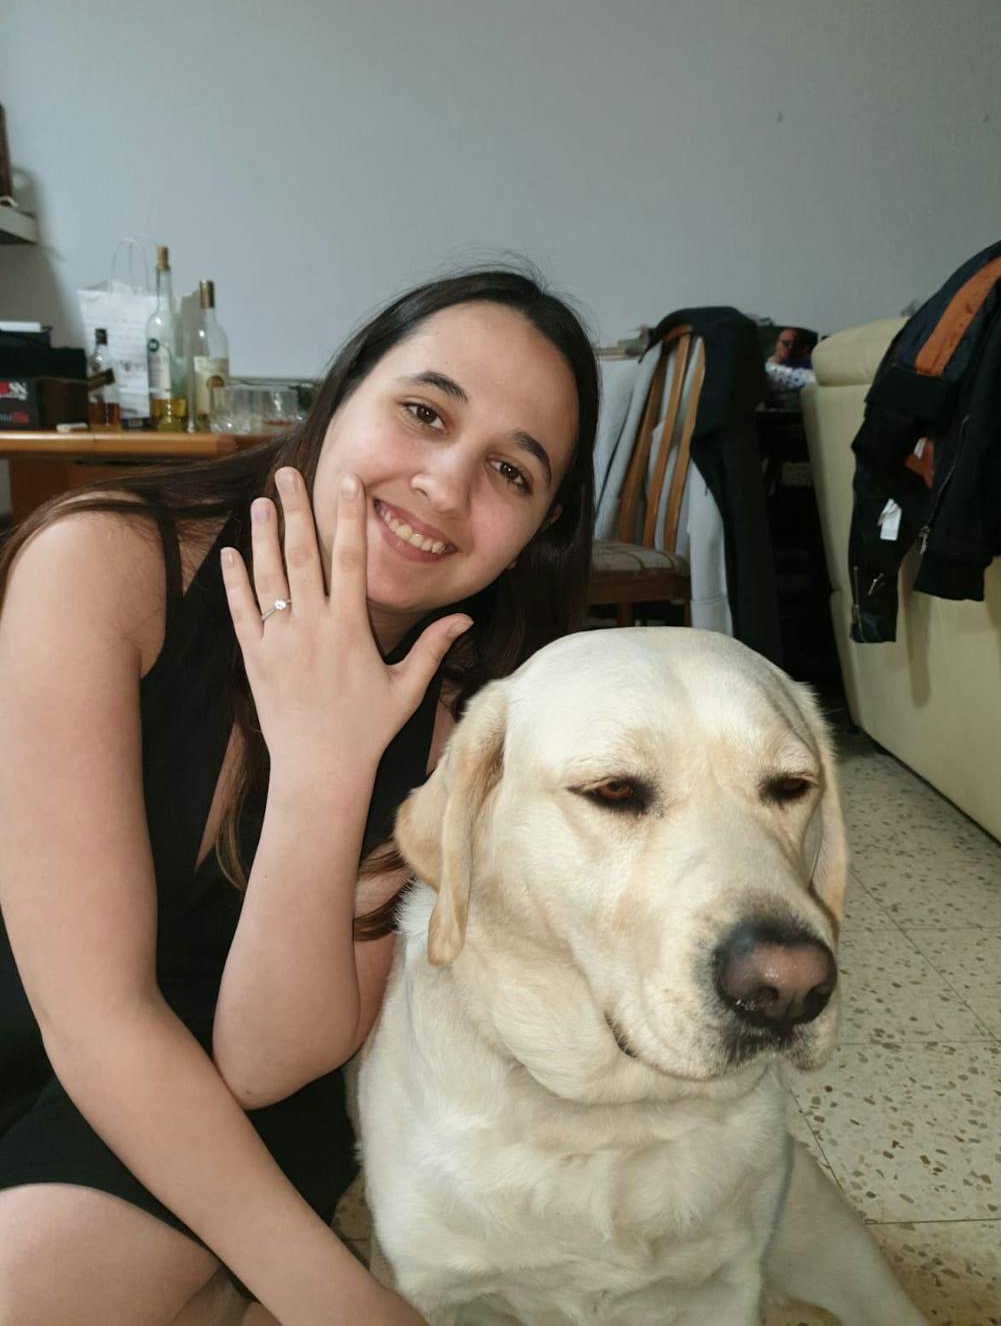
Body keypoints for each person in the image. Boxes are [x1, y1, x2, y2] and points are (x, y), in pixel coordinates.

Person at [0, 267, 599, 1325]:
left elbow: (266, 1064)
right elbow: (91, 1011)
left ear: (539, 529)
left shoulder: (465, 712)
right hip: (47, 1012)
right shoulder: (104, 563)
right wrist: (334, 1294)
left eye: (510, 472)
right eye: (424, 413)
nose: (444, 486)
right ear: (339, 395)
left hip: (235, 1088)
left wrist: (326, 771)